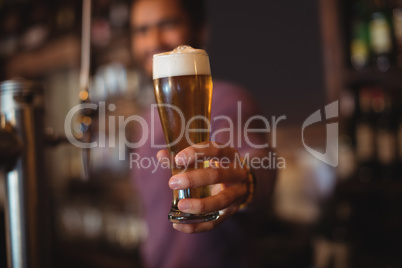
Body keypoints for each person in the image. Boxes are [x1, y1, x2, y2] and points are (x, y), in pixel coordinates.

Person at [130, 0, 276, 267]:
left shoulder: (228, 100)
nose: (153, 40)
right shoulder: (147, 117)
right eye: (141, 30)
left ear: (200, 31)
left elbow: (257, 159)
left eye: (168, 24)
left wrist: (247, 181)